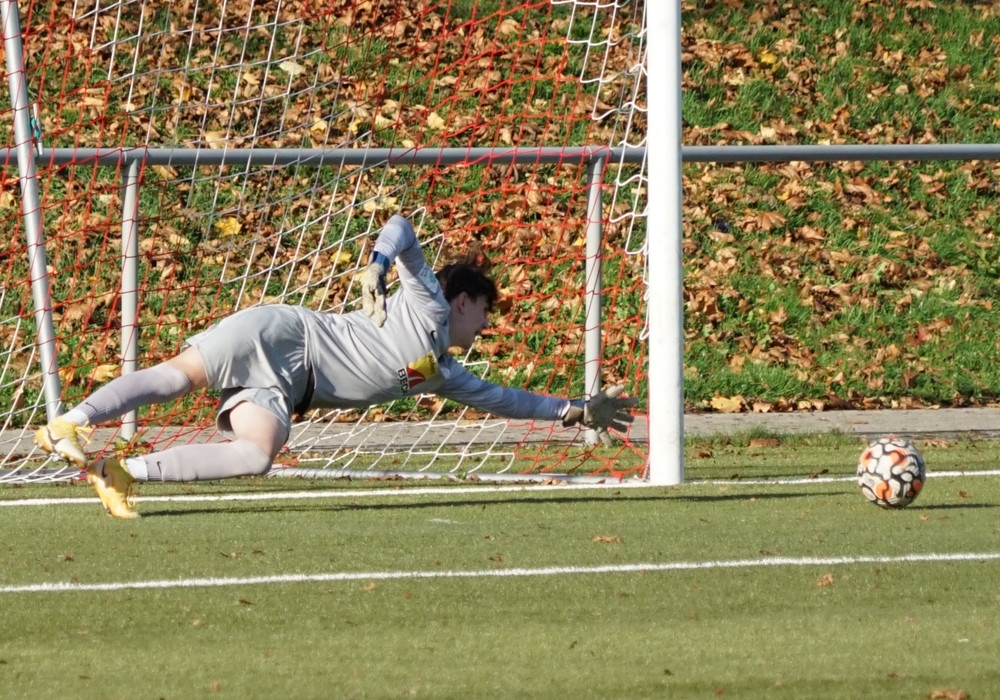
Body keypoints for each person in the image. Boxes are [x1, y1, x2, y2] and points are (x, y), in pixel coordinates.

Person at [34, 214, 638, 518]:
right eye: (484, 311)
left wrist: (575, 410)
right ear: (463, 301)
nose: (485, 325)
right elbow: (401, 227)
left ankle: (123, 472)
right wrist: (377, 264)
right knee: (176, 378)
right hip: (282, 335)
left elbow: (509, 400)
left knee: (258, 456)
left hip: (287, 388)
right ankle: (70, 422)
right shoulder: (429, 301)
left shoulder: (445, 374)